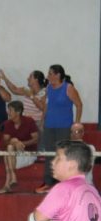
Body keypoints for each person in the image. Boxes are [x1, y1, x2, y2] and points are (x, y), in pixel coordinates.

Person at [36, 65, 83, 193]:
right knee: (49, 155)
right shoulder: (48, 88)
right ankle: (48, 182)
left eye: (50, 74)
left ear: (58, 75)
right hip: (49, 126)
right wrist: (42, 120)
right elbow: (47, 106)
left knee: (63, 155)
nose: (48, 76)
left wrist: (76, 123)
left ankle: (63, 183)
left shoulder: (68, 88)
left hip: (64, 127)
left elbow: (79, 105)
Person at [0, 101, 39, 193]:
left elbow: (36, 139)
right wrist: (14, 142)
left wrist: (21, 143)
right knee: (9, 147)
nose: (8, 112)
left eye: (10, 110)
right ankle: (12, 177)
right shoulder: (8, 123)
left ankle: (7, 184)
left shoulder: (29, 121)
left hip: (29, 153)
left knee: (8, 151)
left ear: (18, 111)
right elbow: (5, 141)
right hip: (14, 154)